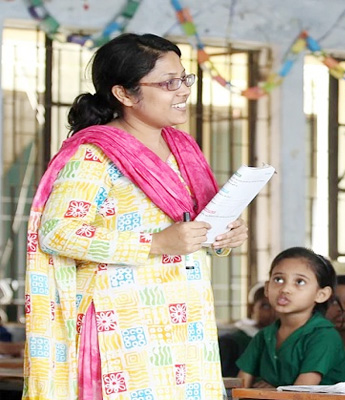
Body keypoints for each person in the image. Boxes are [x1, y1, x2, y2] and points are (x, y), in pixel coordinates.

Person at [22, 33, 249, 400]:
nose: (183, 91)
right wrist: (156, 242)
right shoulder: (96, 154)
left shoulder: (182, 149)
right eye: (168, 83)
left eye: (184, 79)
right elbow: (57, 232)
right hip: (122, 324)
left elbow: (194, 226)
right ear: (124, 94)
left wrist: (224, 235)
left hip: (184, 321)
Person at [236, 247, 345, 387]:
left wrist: (272, 392)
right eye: (278, 279)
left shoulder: (324, 337)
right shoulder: (264, 336)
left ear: (321, 295)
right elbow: (240, 386)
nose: (285, 289)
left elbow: (300, 393)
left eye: (299, 282)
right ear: (267, 288)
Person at [219, 282, 275, 377]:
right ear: (252, 308)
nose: (273, 312)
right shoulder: (232, 342)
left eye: (276, 306)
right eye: (265, 306)